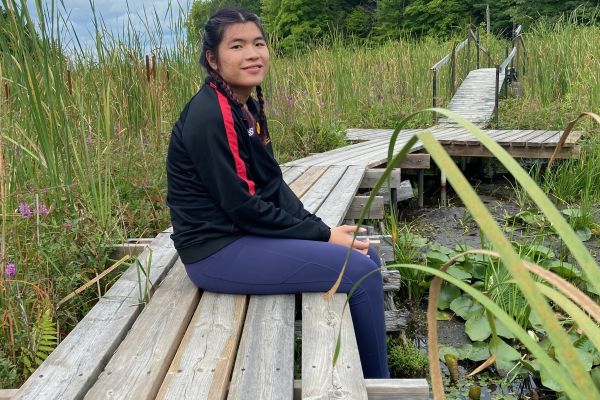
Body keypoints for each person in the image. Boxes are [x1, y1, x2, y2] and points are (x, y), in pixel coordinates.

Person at [165, 7, 390, 379]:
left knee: (370, 255)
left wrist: (322, 229)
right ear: (213, 59)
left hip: (241, 237)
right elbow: (244, 206)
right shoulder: (211, 114)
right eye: (237, 45)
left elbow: (272, 186)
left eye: (259, 43)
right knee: (360, 272)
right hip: (215, 252)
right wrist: (323, 236)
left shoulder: (245, 106)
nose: (253, 54)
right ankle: (379, 387)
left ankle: (372, 373)